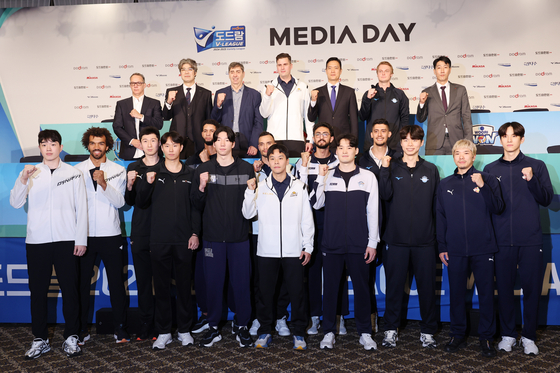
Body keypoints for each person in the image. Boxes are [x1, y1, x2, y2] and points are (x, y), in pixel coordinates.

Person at [10, 129, 86, 359]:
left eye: (53, 143)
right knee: (38, 291)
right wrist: (23, 179)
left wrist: (80, 239)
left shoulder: (73, 173)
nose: (49, 148)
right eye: (44, 144)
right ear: (40, 148)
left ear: (61, 147)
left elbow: (81, 208)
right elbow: (15, 202)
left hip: (66, 240)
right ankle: (40, 339)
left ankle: (72, 337)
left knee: (70, 290)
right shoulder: (31, 172)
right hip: (37, 241)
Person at [484, 122, 553, 355]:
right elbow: (489, 206)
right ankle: (507, 335)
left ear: (522, 139)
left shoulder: (537, 165)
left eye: (514, 136)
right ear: (500, 139)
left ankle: (530, 337)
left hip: (531, 239)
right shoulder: (490, 168)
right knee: (503, 289)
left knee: (532, 289)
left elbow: (546, 199)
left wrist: (532, 180)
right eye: (505, 136)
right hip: (501, 240)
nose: (509, 140)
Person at [310, 134, 379, 351]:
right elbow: (317, 203)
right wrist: (321, 179)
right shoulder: (327, 175)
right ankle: (329, 331)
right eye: (340, 148)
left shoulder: (368, 177)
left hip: (360, 244)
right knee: (330, 290)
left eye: (349, 147)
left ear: (356, 151)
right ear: (336, 151)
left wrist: (372, 242)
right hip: (332, 243)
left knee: (362, 289)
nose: (344, 151)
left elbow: (373, 212)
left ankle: (365, 333)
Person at [242, 143, 315, 350]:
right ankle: (265, 331)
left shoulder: (299, 186)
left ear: (287, 162)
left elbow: (307, 220)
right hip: (267, 251)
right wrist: (249, 192)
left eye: (280, 158)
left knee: (297, 293)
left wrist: (307, 246)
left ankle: (299, 333)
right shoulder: (261, 185)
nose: (276, 162)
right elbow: (248, 214)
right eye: (272, 158)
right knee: (265, 294)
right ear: (268, 161)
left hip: (293, 251)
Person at [437, 139, 504, 358]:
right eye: (458, 153)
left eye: (466, 153)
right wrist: (442, 246)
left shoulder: (488, 179)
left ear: (474, 156)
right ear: (453, 156)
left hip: (483, 248)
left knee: (485, 295)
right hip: (454, 249)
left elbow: (498, 207)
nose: (462, 157)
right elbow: (440, 218)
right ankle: (457, 334)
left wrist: (483, 186)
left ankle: (486, 338)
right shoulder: (445, 184)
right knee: (456, 295)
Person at [135, 131, 201, 350]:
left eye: (175, 145)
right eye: (167, 145)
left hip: (184, 240)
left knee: (184, 288)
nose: (171, 149)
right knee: (161, 288)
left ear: (181, 148)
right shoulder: (153, 172)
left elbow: (195, 207)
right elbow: (141, 202)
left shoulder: (191, 174)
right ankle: (163, 332)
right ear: (161, 148)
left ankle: (184, 330)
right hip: (159, 240)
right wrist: (147, 183)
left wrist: (194, 233)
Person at [191, 126, 256, 348]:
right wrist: (201, 186)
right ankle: (213, 327)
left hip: (239, 238)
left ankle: (242, 325)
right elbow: (195, 204)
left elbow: (251, 206)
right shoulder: (204, 168)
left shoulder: (247, 169)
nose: (221, 144)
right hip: (212, 239)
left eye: (225, 140)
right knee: (214, 284)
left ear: (232, 143)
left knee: (241, 284)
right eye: (217, 140)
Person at [377, 125, 439, 349]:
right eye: (406, 139)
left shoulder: (431, 169)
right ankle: (390, 330)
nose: (410, 143)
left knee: (426, 290)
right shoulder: (390, 167)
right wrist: (384, 170)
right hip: (396, 241)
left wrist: (437, 240)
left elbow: (436, 208)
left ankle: (428, 331)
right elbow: (384, 195)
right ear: (400, 143)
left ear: (421, 143)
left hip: (425, 243)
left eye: (415, 140)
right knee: (394, 289)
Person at [74, 127, 129, 344]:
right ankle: (80, 330)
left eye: (101, 143)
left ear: (107, 146)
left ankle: (121, 329)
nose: (97, 147)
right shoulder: (75, 171)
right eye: (93, 143)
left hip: (111, 234)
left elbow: (120, 202)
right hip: (84, 236)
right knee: (80, 286)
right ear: (87, 145)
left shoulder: (118, 170)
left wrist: (104, 183)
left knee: (116, 284)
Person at [294, 122, 349, 336]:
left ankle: (338, 316)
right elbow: (298, 190)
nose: (322, 137)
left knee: (336, 273)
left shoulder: (340, 160)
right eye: (318, 134)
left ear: (332, 138)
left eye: (326, 134)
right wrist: (305, 166)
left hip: (336, 223)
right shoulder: (303, 161)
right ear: (312, 138)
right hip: (310, 223)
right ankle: (315, 316)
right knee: (313, 273)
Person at [247, 131, 293, 338]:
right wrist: (255, 173)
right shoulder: (253, 169)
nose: (265, 148)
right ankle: (261, 316)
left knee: (282, 278)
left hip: (283, 231)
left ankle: (281, 316)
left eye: (269, 143)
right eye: (261, 144)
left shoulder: (288, 168)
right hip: (259, 232)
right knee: (260, 279)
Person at [358, 118, 399, 333]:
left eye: (384, 131)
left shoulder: (399, 158)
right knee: (367, 278)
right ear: (371, 135)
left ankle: (391, 324)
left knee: (394, 277)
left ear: (389, 134)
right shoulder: (360, 160)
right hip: (368, 228)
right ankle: (370, 320)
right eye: (376, 131)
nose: (380, 134)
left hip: (393, 227)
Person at [124, 126, 163, 341]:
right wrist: (130, 184)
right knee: (143, 282)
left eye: (153, 140)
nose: (149, 144)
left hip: (163, 231)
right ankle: (146, 325)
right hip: (140, 231)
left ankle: (163, 325)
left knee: (163, 281)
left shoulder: (168, 166)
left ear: (159, 143)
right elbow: (129, 202)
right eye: (145, 141)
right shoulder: (134, 167)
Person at [186, 119, 218, 335]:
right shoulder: (191, 160)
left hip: (221, 226)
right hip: (199, 226)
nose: (208, 134)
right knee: (202, 276)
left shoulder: (226, 160)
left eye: (212, 131)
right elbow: (192, 196)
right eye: (204, 130)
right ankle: (206, 314)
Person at [259, 53, 314, 155]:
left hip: (297, 139)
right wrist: (267, 96)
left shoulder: (302, 87)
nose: (282, 68)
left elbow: (308, 116)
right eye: (279, 65)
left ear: (291, 66)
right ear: (276, 67)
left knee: (295, 169)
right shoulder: (269, 87)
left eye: (285, 64)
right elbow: (264, 114)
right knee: (276, 169)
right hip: (274, 139)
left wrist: (310, 138)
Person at [416, 56, 473, 155]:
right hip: (434, 142)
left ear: (450, 70)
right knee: (434, 170)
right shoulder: (427, 92)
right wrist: (421, 103)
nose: (442, 70)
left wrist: (468, 142)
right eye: (439, 68)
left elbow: (466, 117)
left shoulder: (460, 90)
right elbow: (421, 118)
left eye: (445, 67)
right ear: (434, 71)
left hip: (457, 141)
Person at [163, 58, 212, 158]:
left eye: (190, 69)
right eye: (183, 69)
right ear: (180, 73)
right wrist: (168, 102)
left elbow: (209, 120)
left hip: (198, 142)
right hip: (177, 141)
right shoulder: (171, 92)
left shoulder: (205, 94)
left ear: (195, 72)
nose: (186, 72)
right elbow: (166, 117)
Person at [211, 62, 263, 157]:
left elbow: (258, 122)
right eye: (232, 72)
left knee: (247, 170)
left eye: (238, 72)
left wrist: (254, 144)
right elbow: (214, 120)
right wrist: (218, 105)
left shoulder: (255, 95)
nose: (235, 75)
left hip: (247, 143)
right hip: (226, 142)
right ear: (229, 75)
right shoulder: (220, 93)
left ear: (243, 74)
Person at [359, 61, 409, 152]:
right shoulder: (369, 93)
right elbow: (362, 117)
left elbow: (405, 119)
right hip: (372, 143)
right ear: (377, 74)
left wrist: (401, 138)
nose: (383, 73)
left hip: (394, 143)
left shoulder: (399, 94)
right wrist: (367, 99)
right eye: (380, 71)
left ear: (391, 74)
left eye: (386, 71)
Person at [112, 72, 163, 160]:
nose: (135, 86)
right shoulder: (122, 104)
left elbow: (159, 124)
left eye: (138, 83)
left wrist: (141, 116)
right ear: (130, 85)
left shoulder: (154, 103)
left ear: (144, 85)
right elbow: (117, 127)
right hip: (129, 150)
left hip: (151, 152)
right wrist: (132, 141)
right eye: (133, 83)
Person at [307, 57, 358, 142]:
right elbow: (311, 118)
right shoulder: (318, 92)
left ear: (341, 71)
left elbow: (354, 120)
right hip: (323, 140)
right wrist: (313, 101)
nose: (333, 71)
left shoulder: (349, 92)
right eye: (330, 68)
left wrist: (354, 141)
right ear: (326, 71)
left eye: (336, 68)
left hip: (343, 140)